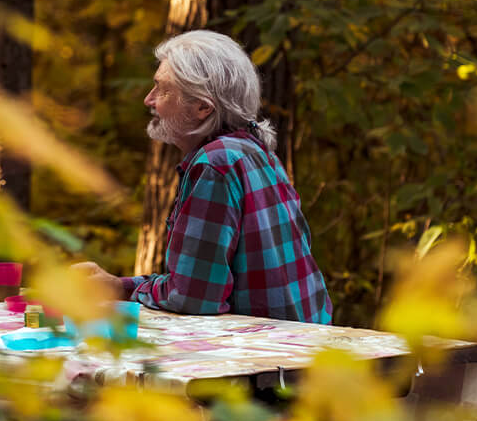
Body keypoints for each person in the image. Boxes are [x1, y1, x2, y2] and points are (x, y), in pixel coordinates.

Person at [74, 30, 332, 323]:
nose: (149, 100)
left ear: (202, 107)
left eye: (161, 89)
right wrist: (119, 286)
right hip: (305, 346)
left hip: (269, 355)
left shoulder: (215, 164)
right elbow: (196, 282)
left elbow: (194, 297)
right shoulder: (254, 152)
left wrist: (128, 292)